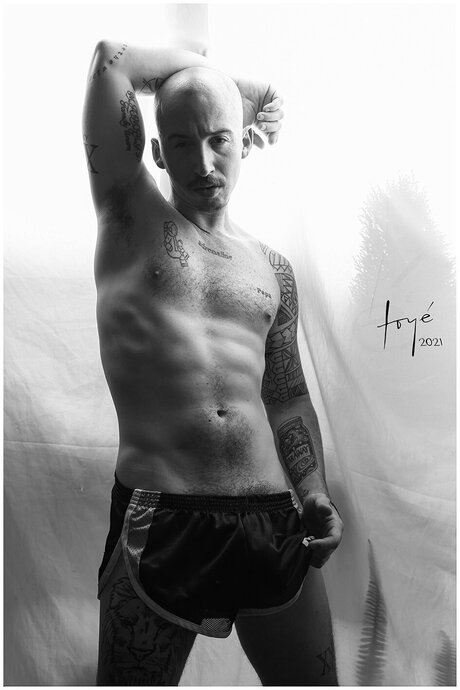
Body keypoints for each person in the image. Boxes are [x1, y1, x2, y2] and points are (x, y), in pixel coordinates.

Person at [83, 40, 344, 686]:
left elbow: (286, 396)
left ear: (245, 143)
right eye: (182, 143)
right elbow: (111, 60)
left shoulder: (273, 269)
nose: (203, 162)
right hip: (161, 518)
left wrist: (312, 491)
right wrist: (237, 84)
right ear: (155, 152)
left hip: (271, 518)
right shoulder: (129, 218)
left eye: (219, 139)